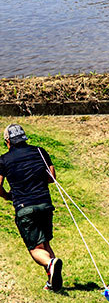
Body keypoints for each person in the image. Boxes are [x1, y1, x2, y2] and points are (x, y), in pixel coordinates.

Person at [0, 124, 63, 292]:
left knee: (35, 248)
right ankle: (52, 282)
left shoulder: (4, 160)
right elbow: (51, 178)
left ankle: (50, 264)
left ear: (8, 142)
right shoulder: (40, 152)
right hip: (45, 204)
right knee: (44, 244)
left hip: (24, 207)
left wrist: (6, 195)